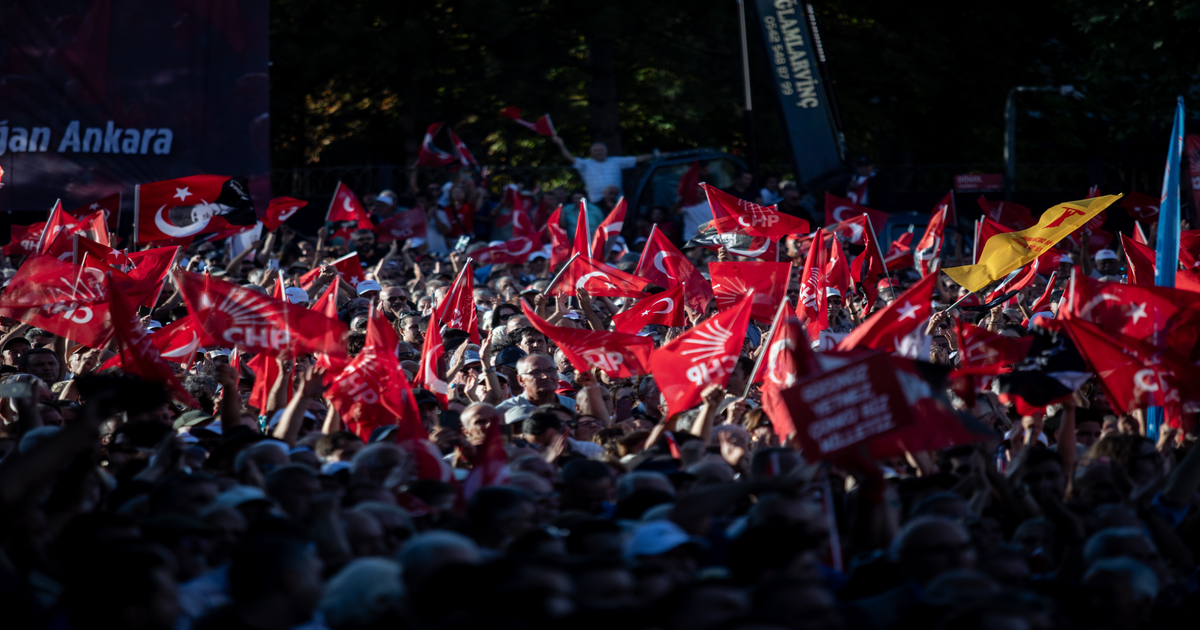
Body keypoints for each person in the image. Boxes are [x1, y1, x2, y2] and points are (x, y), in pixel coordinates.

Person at [552, 135, 653, 202]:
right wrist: (561, 144)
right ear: (591, 153)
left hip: (616, 201)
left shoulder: (615, 161)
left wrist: (658, 155)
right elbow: (569, 157)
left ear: (606, 151)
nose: (599, 152)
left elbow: (637, 159)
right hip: (596, 202)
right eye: (596, 150)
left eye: (601, 150)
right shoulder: (586, 164)